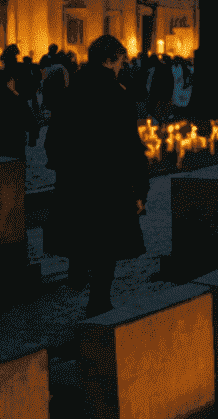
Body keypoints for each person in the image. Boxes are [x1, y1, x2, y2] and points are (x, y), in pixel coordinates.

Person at [45, 35, 150, 317]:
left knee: (80, 228)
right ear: (108, 60)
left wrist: (65, 166)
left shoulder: (69, 93)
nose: (120, 68)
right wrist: (141, 187)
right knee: (107, 243)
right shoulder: (118, 95)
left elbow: (52, 142)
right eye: (119, 62)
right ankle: (99, 299)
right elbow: (129, 145)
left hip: (75, 180)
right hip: (109, 182)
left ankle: (78, 267)